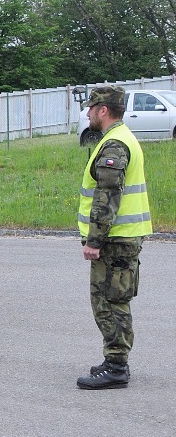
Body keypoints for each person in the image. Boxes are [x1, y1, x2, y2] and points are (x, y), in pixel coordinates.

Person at [75, 85, 152, 389]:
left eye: (91, 108)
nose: (88, 113)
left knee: (109, 302)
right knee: (113, 299)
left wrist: (94, 241)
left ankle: (117, 366)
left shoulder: (114, 144)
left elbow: (107, 196)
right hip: (121, 236)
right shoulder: (120, 138)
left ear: (103, 110)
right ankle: (114, 360)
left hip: (115, 239)